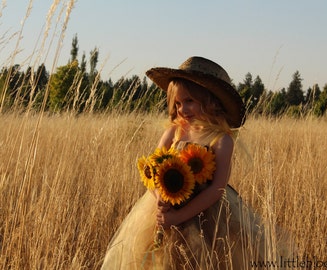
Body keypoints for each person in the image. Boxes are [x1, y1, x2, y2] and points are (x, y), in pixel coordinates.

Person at [101, 56, 293, 269]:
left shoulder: (221, 140)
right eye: (178, 103)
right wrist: (160, 201)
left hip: (206, 216)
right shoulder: (174, 132)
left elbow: (216, 189)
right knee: (163, 260)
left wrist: (180, 216)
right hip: (166, 208)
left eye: (190, 101)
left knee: (204, 260)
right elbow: (152, 172)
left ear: (210, 101)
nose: (183, 110)